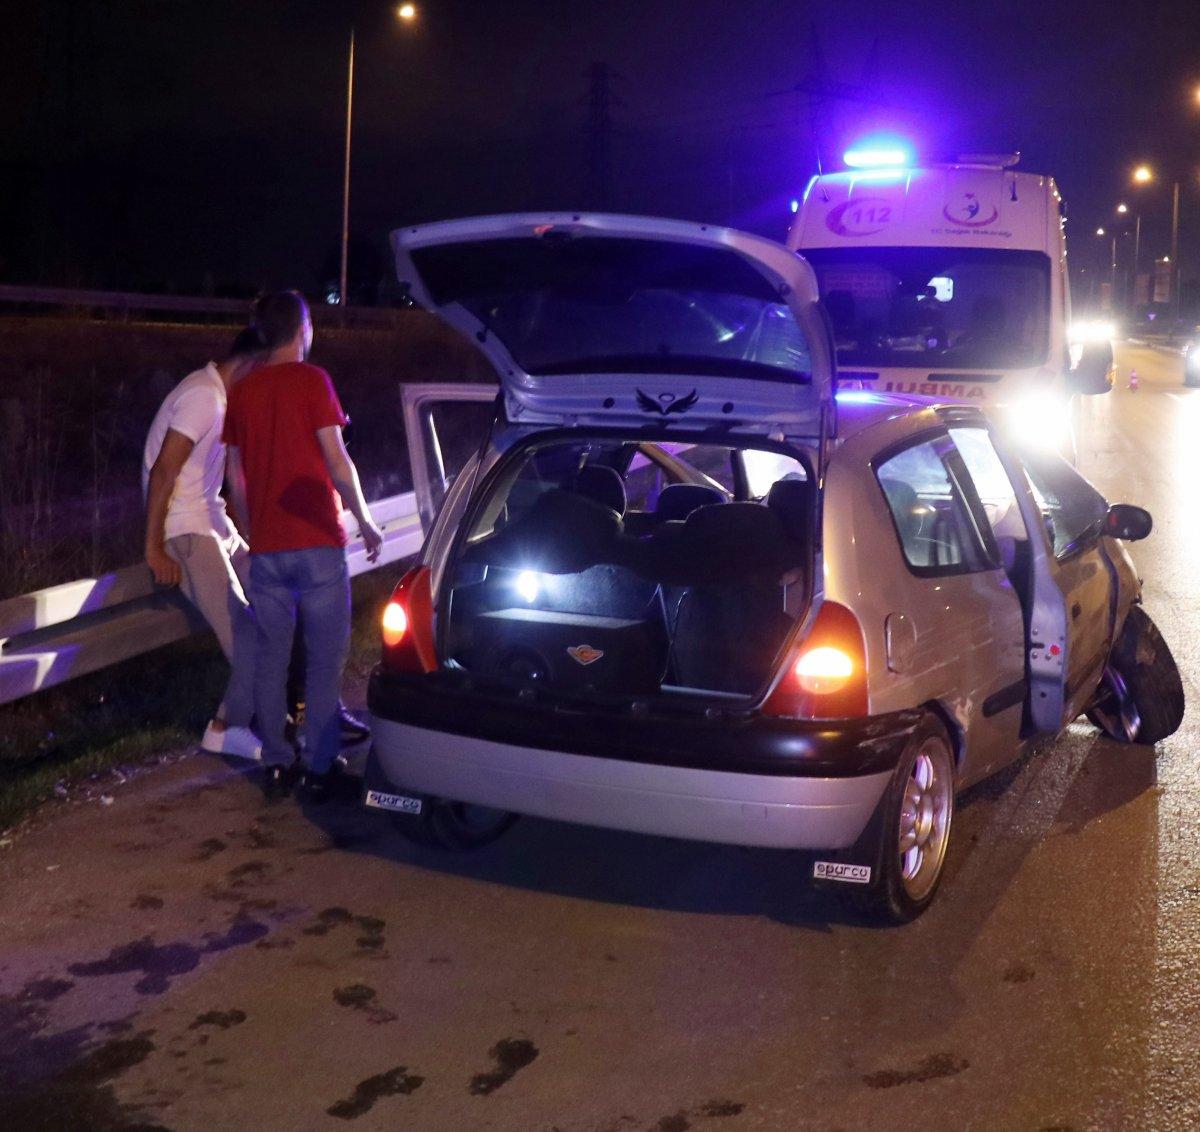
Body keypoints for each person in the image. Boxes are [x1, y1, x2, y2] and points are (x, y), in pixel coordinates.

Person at [223, 291, 383, 799]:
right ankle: (318, 763)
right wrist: (365, 517)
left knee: (273, 657)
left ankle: (275, 762)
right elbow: (337, 461)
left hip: (269, 549)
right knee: (323, 658)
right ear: (302, 329)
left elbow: (235, 477)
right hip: (317, 542)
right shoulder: (314, 381)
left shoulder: (243, 391)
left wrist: (253, 532)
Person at [142, 329, 265, 760]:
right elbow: (163, 473)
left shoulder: (224, 399)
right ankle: (224, 728)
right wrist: (154, 548)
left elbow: (230, 481)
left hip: (213, 523)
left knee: (277, 602)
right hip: (186, 532)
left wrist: (249, 539)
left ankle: (263, 714)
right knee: (248, 635)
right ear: (250, 365)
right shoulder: (203, 398)